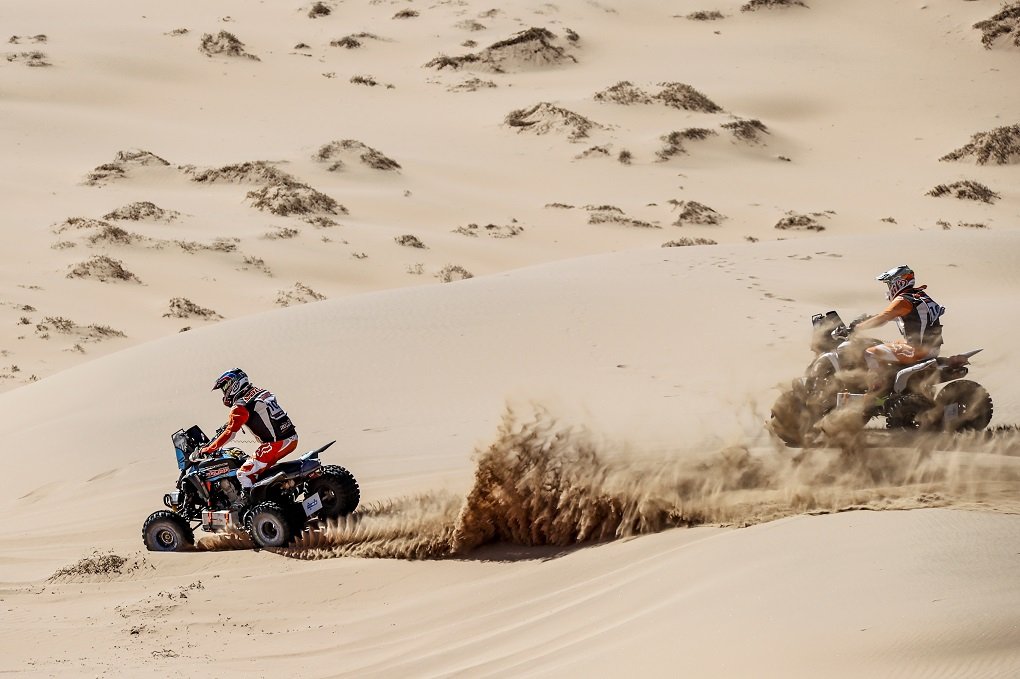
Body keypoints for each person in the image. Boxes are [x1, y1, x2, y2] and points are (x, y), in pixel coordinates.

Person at [197, 368, 298, 510]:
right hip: (291, 437)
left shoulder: (240, 406)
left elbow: (230, 433)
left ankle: (252, 509)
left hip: (276, 443)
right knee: (257, 471)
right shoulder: (260, 392)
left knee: (243, 473)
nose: (224, 392)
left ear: (234, 384)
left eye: (224, 388)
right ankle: (271, 496)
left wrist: (208, 449)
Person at [851, 265, 946, 397]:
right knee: (892, 343)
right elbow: (896, 317)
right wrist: (867, 319)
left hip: (917, 350)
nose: (889, 289)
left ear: (899, 282)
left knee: (870, 353)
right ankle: (892, 382)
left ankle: (877, 393)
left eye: (890, 284)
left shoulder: (903, 299)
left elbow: (883, 318)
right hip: (932, 348)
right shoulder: (920, 297)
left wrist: (858, 327)